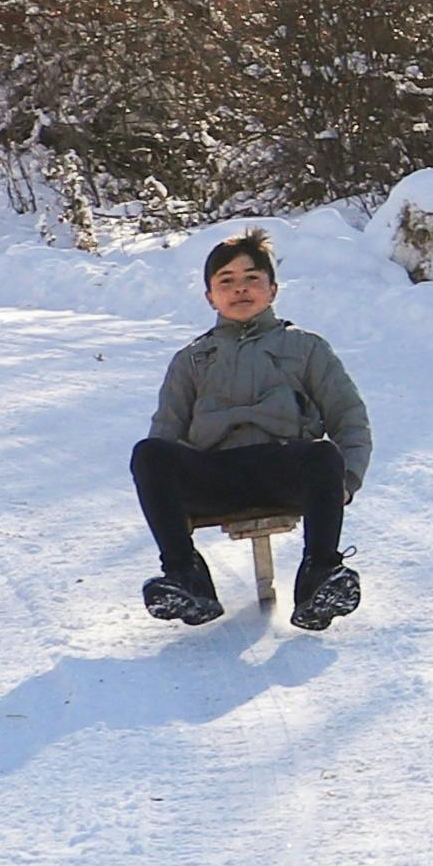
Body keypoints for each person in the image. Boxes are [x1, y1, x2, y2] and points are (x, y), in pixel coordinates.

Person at [132, 228, 372, 627]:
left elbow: (349, 416)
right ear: (210, 296)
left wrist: (346, 481)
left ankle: (320, 576)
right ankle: (184, 577)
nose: (240, 289)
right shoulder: (192, 359)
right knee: (148, 453)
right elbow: (166, 431)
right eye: (226, 281)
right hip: (215, 475)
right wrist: (167, 498)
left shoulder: (306, 347)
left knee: (324, 455)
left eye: (251, 279)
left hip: (282, 468)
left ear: (273, 290)